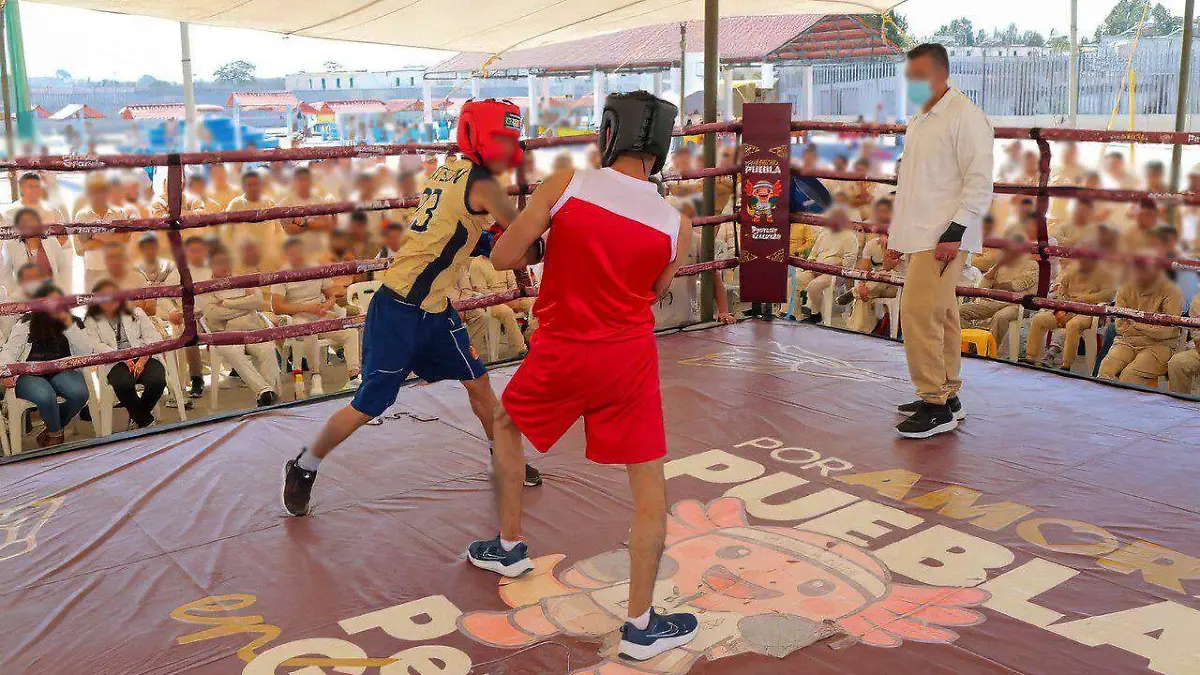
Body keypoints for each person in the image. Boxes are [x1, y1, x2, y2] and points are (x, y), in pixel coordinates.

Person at [465, 91, 700, 662]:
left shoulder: (566, 183)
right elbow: (655, 291)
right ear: (663, 145)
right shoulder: (677, 222)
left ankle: (511, 545)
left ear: (610, 130)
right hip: (628, 359)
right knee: (650, 497)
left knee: (504, 422)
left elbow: (503, 260)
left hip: (562, 348)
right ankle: (641, 625)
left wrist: (554, 240)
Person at [282, 99, 542, 517]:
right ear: (479, 138)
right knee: (370, 403)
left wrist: (497, 242)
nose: (508, 149)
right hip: (400, 309)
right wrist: (558, 230)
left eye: (510, 139)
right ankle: (305, 464)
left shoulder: (451, 168)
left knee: (478, 383)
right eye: (502, 139)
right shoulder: (485, 184)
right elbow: (524, 229)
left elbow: (456, 230)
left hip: (435, 311)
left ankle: (503, 457)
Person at [889, 43, 994, 439]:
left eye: (916, 77)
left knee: (918, 312)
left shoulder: (966, 117)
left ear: (939, 75)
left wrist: (956, 231)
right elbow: (913, 184)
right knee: (942, 314)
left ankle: (933, 402)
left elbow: (979, 182)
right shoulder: (922, 118)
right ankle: (947, 394)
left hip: (944, 234)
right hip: (921, 232)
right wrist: (897, 236)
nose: (910, 84)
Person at [0, 284, 95, 447]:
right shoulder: (25, 324)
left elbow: (88, 350)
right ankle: (56, 435)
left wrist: (67, 324)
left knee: (79, 394)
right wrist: (5, 373)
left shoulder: (71, 323)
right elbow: (9, 352)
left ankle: (53, 427)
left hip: (62, 370)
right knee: (45, 396)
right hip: (30, 374)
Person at [269, 237, 362, 395]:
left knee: (350, 332)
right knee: (309, 330)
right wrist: (307, 307)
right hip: (298, 316)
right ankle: (315, 376)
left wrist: (324, 306)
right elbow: (276, 307)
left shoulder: (318, 269)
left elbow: (332, 296)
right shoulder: (282, 274)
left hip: (320, 314)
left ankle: (354, 376)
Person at [198, 247, 280, 407]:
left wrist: (229, 304)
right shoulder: (206, 288)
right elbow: (213, 314)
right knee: (234, 352)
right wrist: (245, 306)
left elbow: (257, 301)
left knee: (268, 349)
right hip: (226, 333)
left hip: (252, 329)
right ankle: (265, 392)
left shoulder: (242, 280)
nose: (226, 266)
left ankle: (267, 396)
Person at [85, 279, 167, 429]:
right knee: (123, 384)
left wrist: (142, 360)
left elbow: (154, 338)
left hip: (144, 355)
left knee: (158, 381)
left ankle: (138, 416)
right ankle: (146, 421)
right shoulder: (91, 320)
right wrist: (120, 356)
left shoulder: (136, 312)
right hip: (114, 360)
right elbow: (95, 346)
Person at [1098, 257, 1184, 388]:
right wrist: (1149, 328)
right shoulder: (1125, 287)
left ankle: (1125, 407)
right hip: (1127, 340)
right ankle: (1112, 406)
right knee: (1105, 370)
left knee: (1129, 377)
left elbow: (1167, 331)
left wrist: (1135, 324)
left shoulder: (1172, 292)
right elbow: (1120, 326)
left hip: (1159, 345)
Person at [1022, 252, 1117, 369]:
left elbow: (1110, 295)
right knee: (1038, 319)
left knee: (1073, 325)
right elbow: (1062, 291)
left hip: (1090, 311)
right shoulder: (1072, 270)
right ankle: (1030, 357)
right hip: (1068, 308)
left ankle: (1066, 365)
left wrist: (1084, 299)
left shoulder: (1106, 273)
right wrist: (1060, 310)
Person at [2, 208, 67, 286]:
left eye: (32, 220)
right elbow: (6, 277)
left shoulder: (51, 241)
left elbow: (63, 269)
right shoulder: (10, 246)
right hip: (24, 296)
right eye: (24, 222)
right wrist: (14, 294)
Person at [1166, 291, 1200, 395]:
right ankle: (1180, 404)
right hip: (1199, 350)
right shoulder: (1198, 300)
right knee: (1177, 362)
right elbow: (1195, 333)